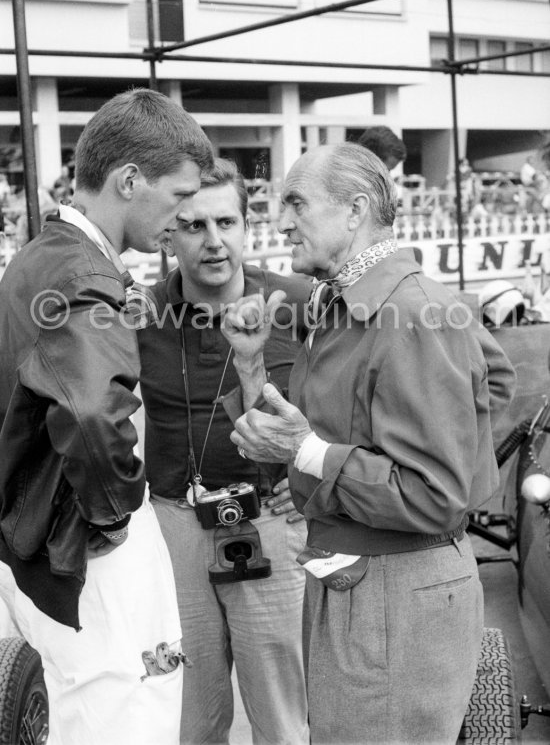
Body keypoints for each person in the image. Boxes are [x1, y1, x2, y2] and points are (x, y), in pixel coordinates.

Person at [221, 142, 516, 744]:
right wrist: (253, 373)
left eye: (296, 203)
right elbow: (494, 379)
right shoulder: (358, 304)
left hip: (395, 592)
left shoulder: (410, 312)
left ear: (355, 211)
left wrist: (307, 451)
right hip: (367, 585)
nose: (280, 222)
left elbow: (434, 495)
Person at [0, 88, 214, 745]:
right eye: (179, 198)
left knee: (90, 716)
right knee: (130, 718)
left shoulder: (42, 256)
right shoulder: (82, 272)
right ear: (128, 180)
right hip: (88, 549)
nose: (183, 218)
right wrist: (116, 516)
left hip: (46, 542)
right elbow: (93, 415)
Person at [137, 158, 310, 745]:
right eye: (193, 226)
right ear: (167, 234)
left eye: (227, 223)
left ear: (246, 225)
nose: (214, 242)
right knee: (187, 717)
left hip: (273, 524)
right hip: (174, 531)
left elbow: (361, 400)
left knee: (283, 717)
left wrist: (316, 477)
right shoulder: (137, 314)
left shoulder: (302, 303)